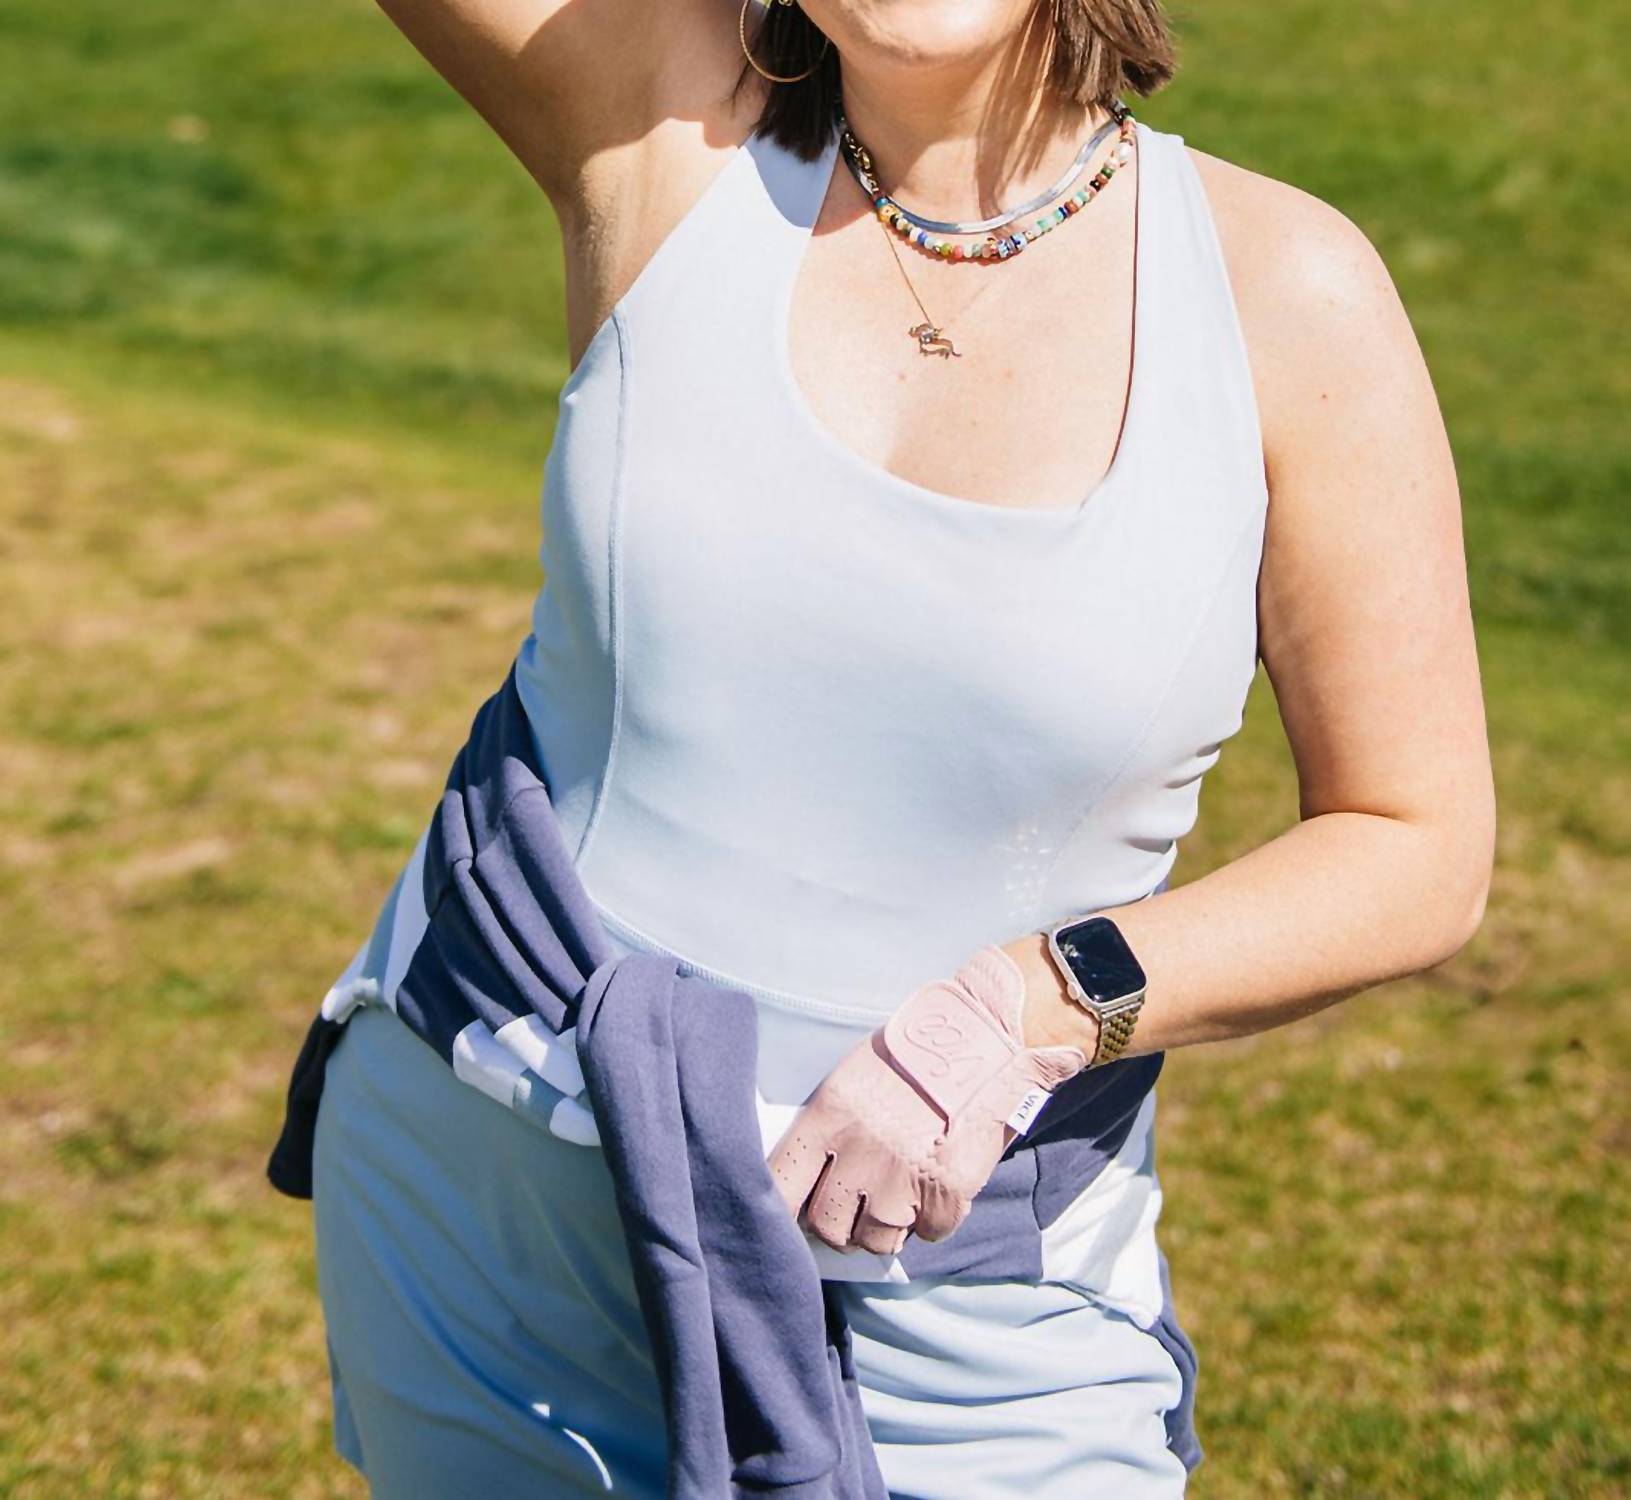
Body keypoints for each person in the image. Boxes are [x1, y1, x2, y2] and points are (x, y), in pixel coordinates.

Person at [302, 0, 1497, 1494]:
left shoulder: (1284, 290)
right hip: (488, 1199)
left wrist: (1031, 1008)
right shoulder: (664, 127)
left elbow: (1415, 843)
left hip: (970, 1298)